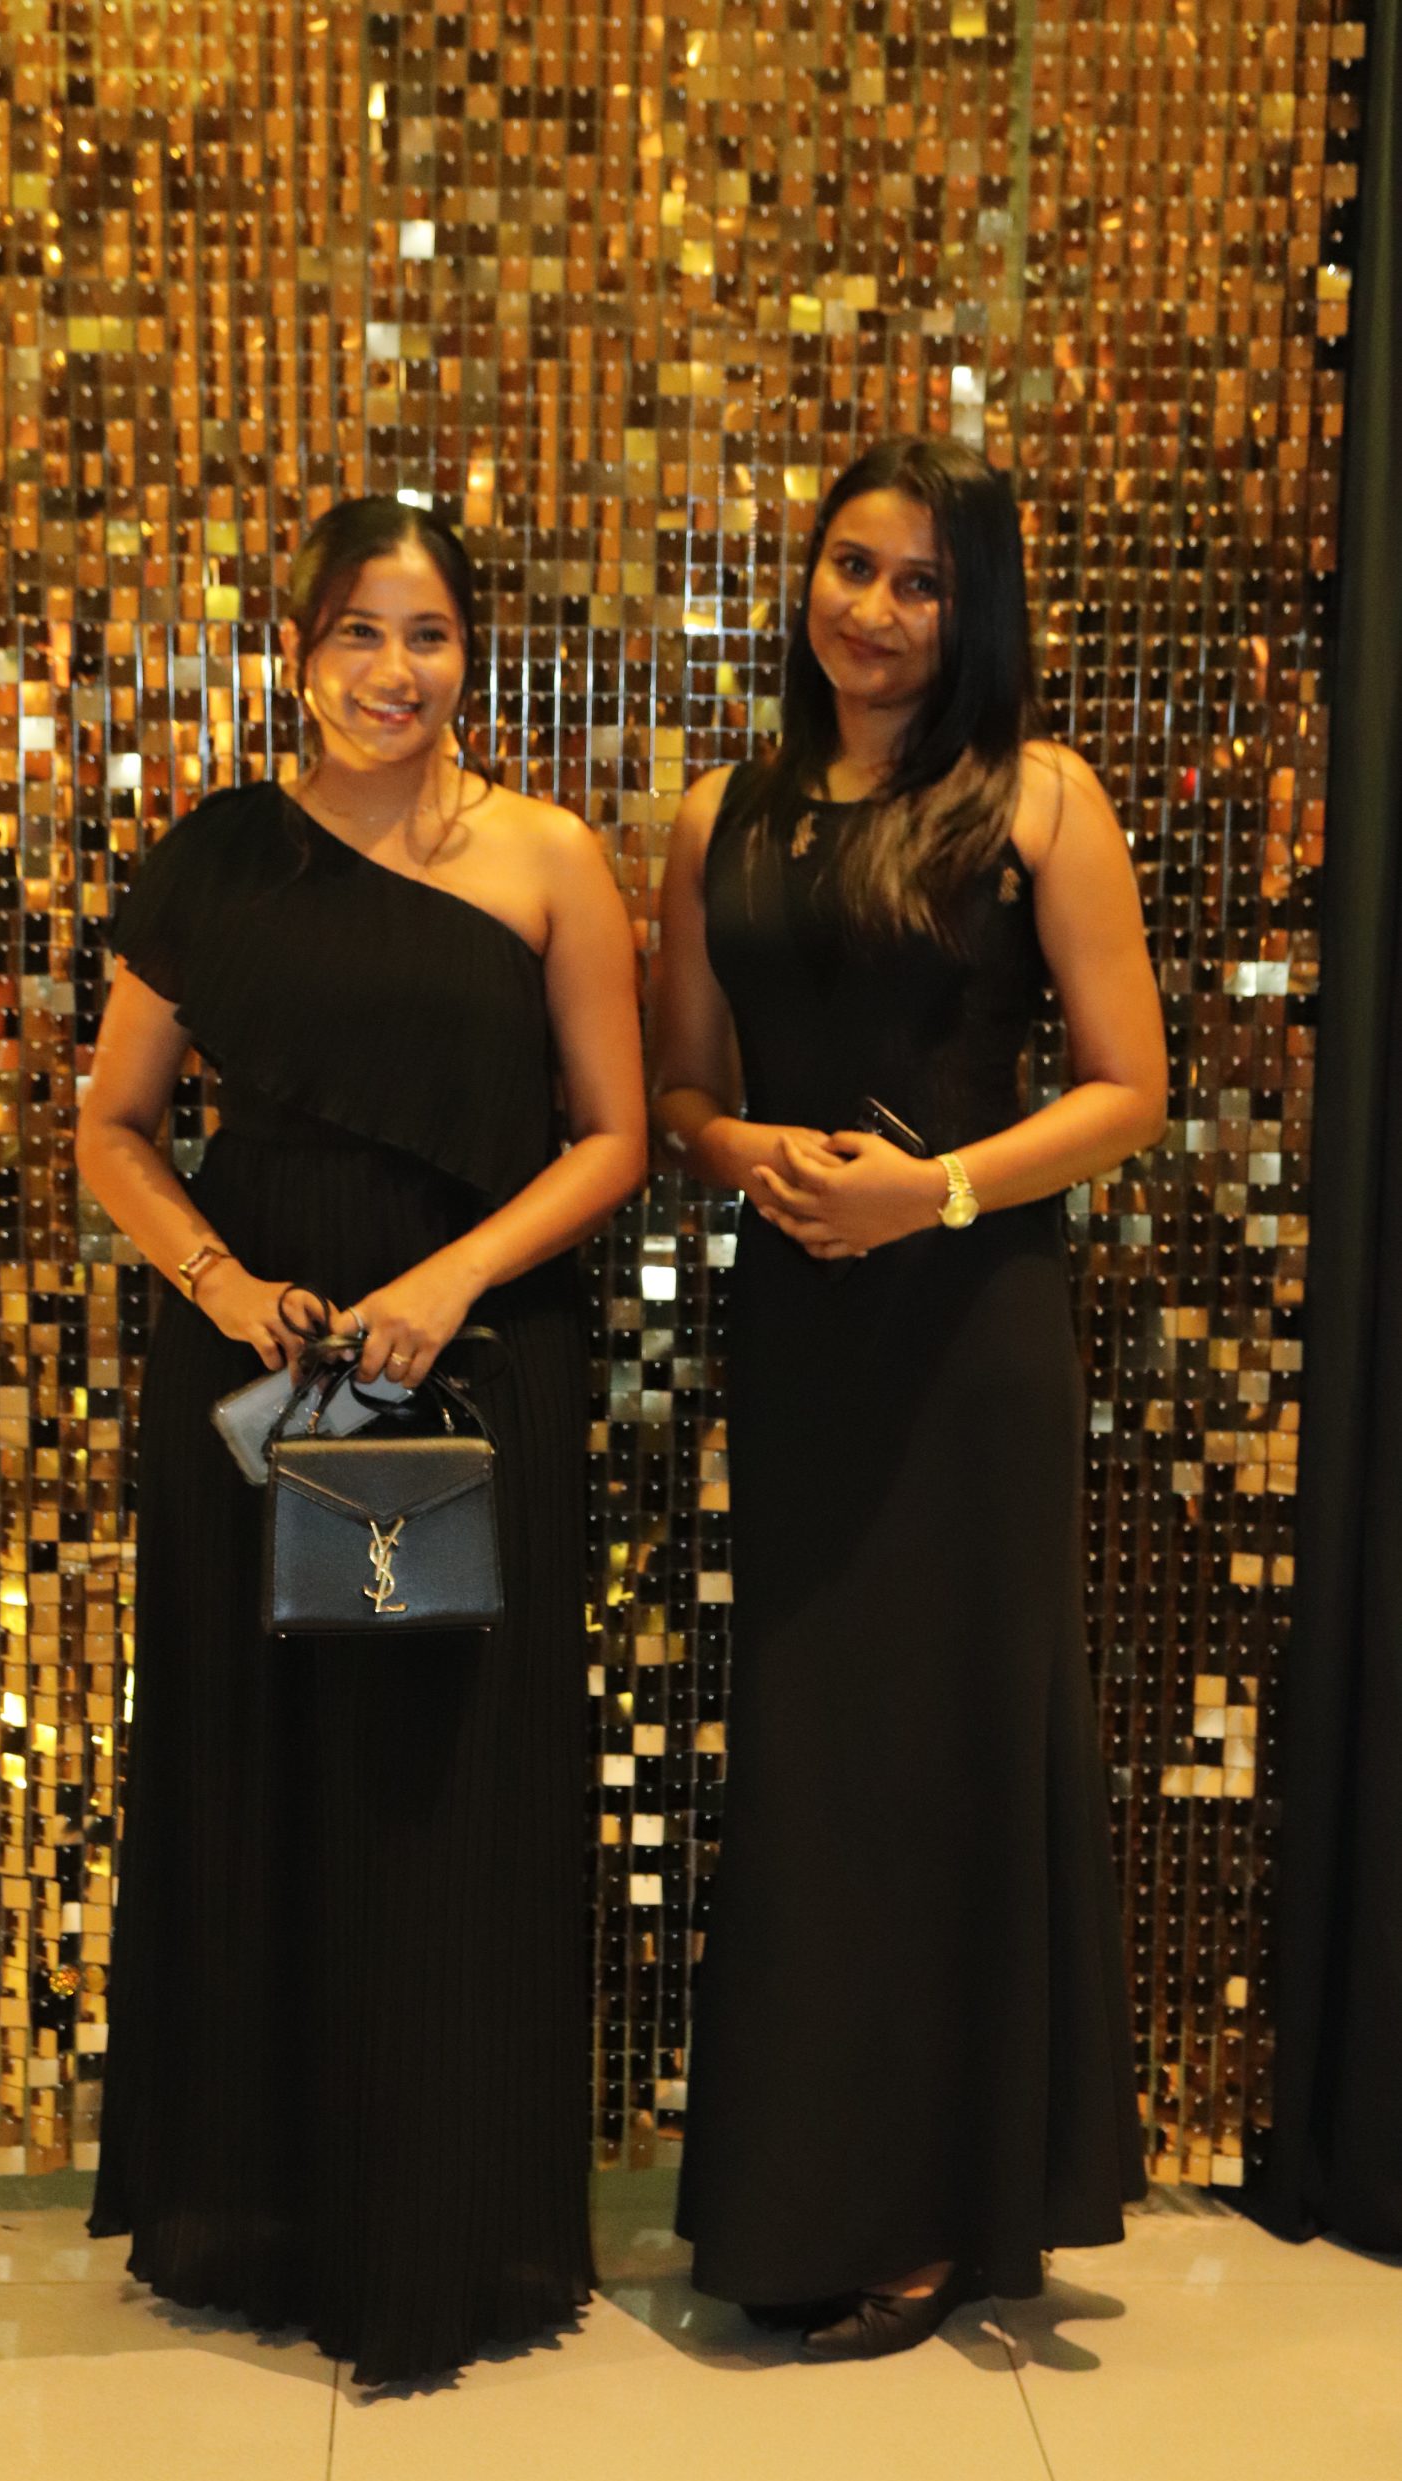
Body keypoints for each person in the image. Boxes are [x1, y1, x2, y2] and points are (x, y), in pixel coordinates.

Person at [78, 496, 647, 2387]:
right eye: (355, 633)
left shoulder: (551, 858)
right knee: (264, 1770)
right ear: (298, 648)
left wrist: (451, 1281)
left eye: (426, 634)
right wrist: (226, 1283)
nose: (390, 672)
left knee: (441, 1790)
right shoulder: (219, 857)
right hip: (268, 1378)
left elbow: (614, 1138)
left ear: (471, 653)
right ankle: (261, 2217)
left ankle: (446, 2236)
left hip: (471, 1369)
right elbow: (115, 1127)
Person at [651, 436, 1166, 2359]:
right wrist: (744, 1152)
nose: (873, 610)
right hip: (802, 1330)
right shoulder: (720, 814)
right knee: (817, 1756)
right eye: (851, 566)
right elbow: (681, 1090)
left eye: (922, 582)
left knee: (951, 1748)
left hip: (971, 1335)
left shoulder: (1039, 798)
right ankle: (804, 2205)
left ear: (976, 610)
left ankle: (949, 2209)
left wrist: (931, 1190)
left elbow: (1128, 1090)